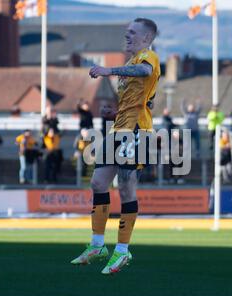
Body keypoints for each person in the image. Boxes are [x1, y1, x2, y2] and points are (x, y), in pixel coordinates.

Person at [71, 18, 161, 275]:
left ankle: (122, 251)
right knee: (98, 183)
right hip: (118, 128)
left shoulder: (148, 57)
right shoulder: (132, 62)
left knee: (126, 186)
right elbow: (144, 99)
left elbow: (145, 73)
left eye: (133, 32)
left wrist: (109, 71)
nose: (127, 36)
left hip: (136, 131)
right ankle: (98, 245)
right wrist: (115, 113)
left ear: (146, 38)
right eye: (127, 32)